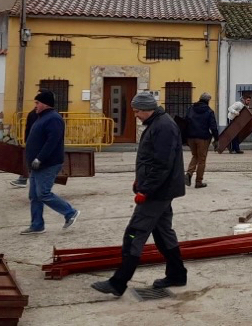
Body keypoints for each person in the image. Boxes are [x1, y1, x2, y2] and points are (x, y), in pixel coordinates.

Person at [92, 92, 186, 297]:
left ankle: (118, 283)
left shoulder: (163, 127)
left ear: (147, 109)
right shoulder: (157, 124)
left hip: (158, 192)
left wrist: (146, 189)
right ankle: (177, 274)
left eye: (137, 111)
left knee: (134, 233)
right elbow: (150, 160)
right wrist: (140, 180)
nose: (135, 115)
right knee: (163, 233)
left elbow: (162, 164)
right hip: (160, 189)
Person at [20, 91, 80, 235]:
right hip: (36, 165)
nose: (35, 105)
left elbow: (52, 141)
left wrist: (40, 158)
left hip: (48, 164)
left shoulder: (54, 119)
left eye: (37, 103)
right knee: (34, 196)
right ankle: (37, 225)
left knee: (43, 194)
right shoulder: (41, 117)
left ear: (45, 104)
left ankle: (70, 212)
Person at [184, 92, 219, 189]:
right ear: (208, 100)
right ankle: (198, 182)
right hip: (203, 138)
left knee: (195, 156)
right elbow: (213, 127)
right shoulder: (209, 111)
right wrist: (216, 138)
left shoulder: (191, 108)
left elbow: (185, 121)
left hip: (190, 137)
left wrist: (185, 137)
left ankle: (189, 173)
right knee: (202, 160)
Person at [10, 96, 42, 187]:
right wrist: (27, 141)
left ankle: (24, 180)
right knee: (29, 161)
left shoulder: (49, 115)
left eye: (38, 102)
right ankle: (23, 179)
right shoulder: (33, 114)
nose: (36, 103)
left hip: (40, 143)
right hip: (33, 142)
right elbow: (28, 129)